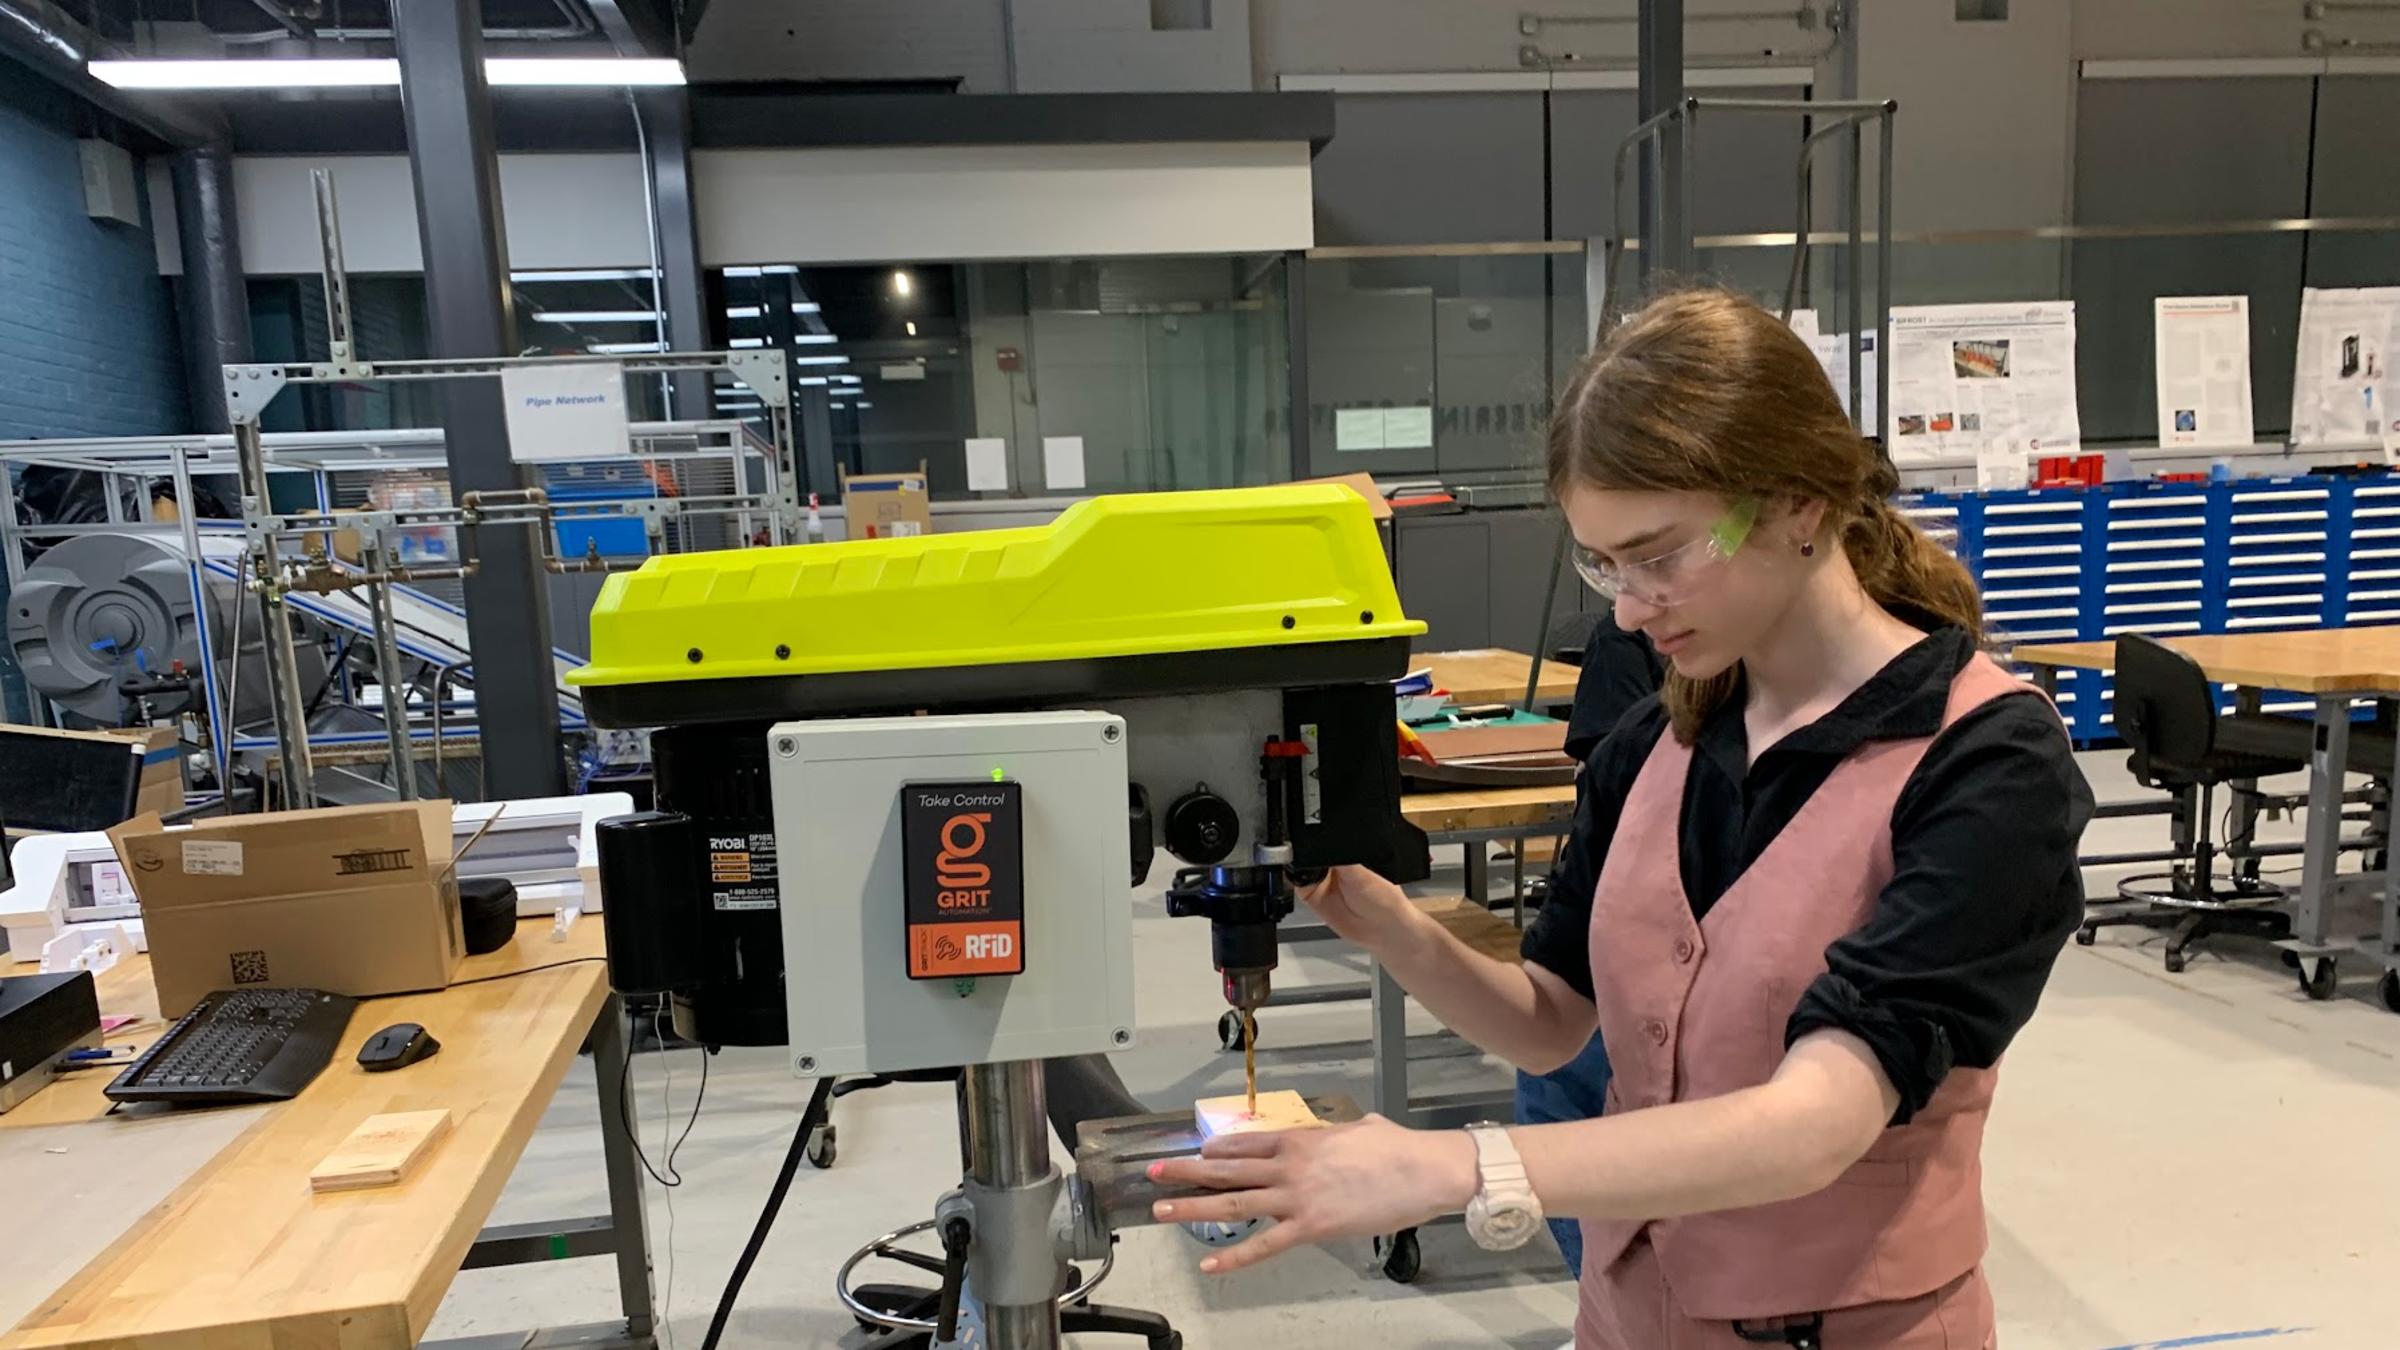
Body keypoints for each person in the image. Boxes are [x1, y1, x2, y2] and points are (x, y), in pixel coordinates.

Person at [1150, 288, 2091, 1349]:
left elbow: (1818, 1122)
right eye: (1604, 564)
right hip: (1627, 1320)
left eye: (1661, 555)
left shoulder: (1988, 763)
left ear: (1801, 503)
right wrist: (1389, 926)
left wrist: (1459, 1162)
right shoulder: (1656, 745)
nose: (1630, 608)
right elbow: (1553, 1019)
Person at [1512, 609, 1662, 1275]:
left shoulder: (1630, 637)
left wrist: (1453, 1168)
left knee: (1568, 1086)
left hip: (1657, 916)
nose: (1630, 600)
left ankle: (1605, 1285)